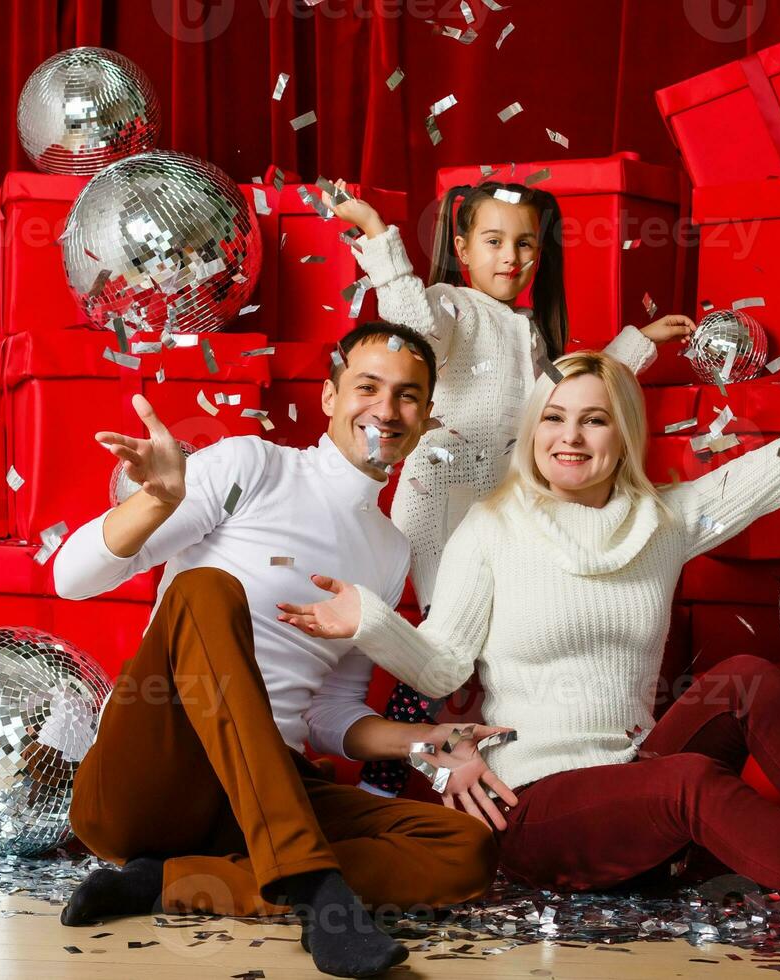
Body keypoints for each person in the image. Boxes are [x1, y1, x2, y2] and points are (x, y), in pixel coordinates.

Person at [278, 353, 780, 958]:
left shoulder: (662, 520)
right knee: (687, 781)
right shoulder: (492, 527)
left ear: (624, 434)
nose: (568, 438)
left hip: (635, 778)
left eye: (593, 420)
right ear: (533, 429)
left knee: (747, 681)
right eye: (552, 418)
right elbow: (443, 667)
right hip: (536, 806)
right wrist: (368, 620)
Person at [51, 322, 512, 979]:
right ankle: (317, 893)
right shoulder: (252, 466)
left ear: (427, 418)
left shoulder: (389, 551)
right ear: (328, 397)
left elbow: (332, 709)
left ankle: (176, 882)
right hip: (150, 781)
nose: (386, 409)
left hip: (264, 794)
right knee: (206, 590)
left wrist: (420, 741)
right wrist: (155, 503)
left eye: (408, 396)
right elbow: (70, 579)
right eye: (368, 387)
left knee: (464, 848)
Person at [330, 179, 695, 797]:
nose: (511, 258)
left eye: (526, 244)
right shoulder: (449, 306)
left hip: (503, 510)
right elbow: (408, 324)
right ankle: (383, 781)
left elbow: (570, 394)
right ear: (462, 247)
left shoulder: (529, 329)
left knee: (485, 642)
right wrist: (378, 239)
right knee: (446, 643)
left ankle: (491, 772)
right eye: (494, 240)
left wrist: (638, 343)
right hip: (444, 499)